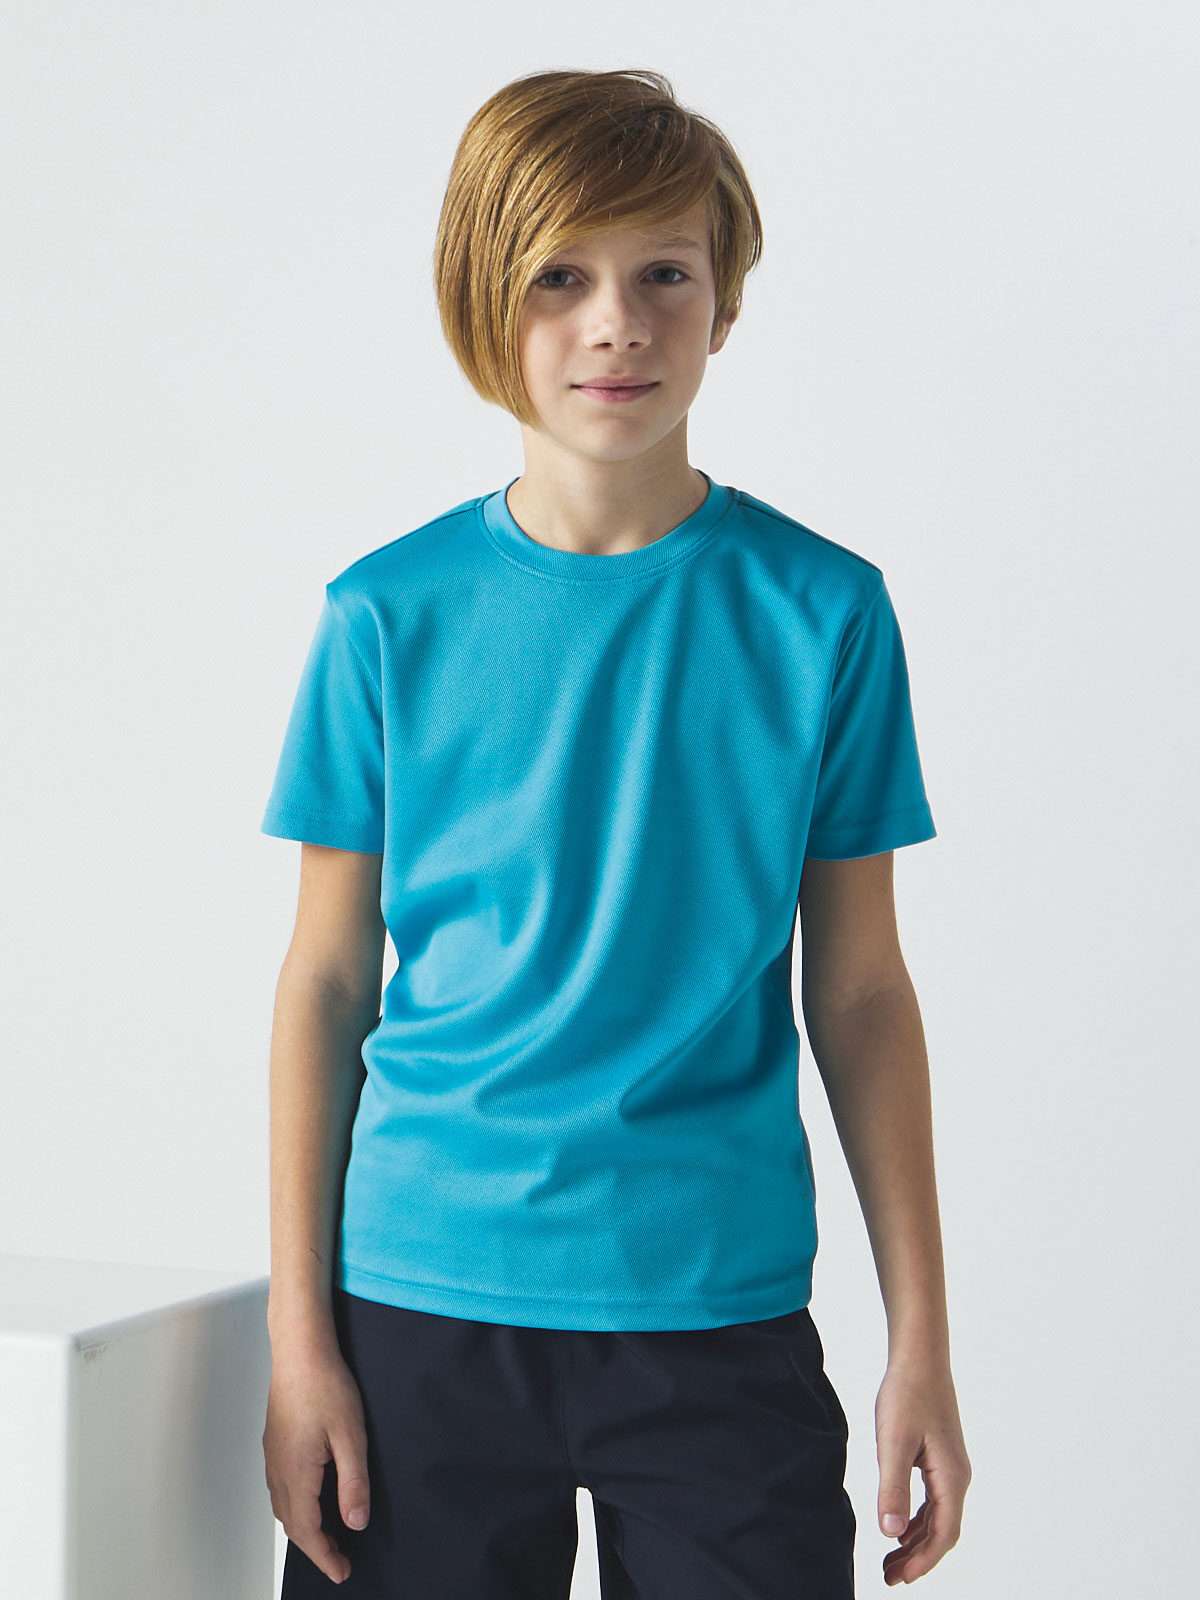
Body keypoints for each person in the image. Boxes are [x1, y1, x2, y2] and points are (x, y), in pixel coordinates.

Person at [260, 66, 971, 1597]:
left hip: (715, 1310)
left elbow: (860, 988)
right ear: (482, 299)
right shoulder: (383, 617)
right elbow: (325, 982)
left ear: (726, 304)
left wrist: (920, 1337)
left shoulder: (825, 614)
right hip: (420, 1311)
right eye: (560, 278)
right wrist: (300, 1339)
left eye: (665, 275)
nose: (618, 325)